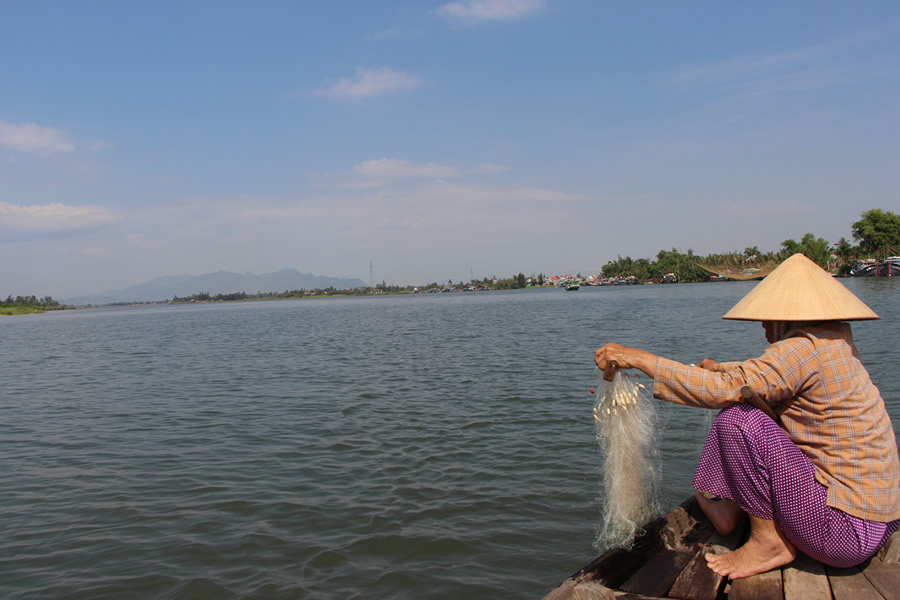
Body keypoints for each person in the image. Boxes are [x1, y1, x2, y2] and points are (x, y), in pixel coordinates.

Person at [594, 253, 900, 579]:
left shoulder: (804, 348)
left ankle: (768, 541)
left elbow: (727, 388)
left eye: (768, 319)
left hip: (841, 533)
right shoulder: (833, 340)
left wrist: (636, 357)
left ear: (788, 318)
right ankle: (730, 508)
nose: (765, 329)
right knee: (747, 402)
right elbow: (767, 376)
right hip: (875, 521)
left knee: (738, 418)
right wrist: (720, 367)